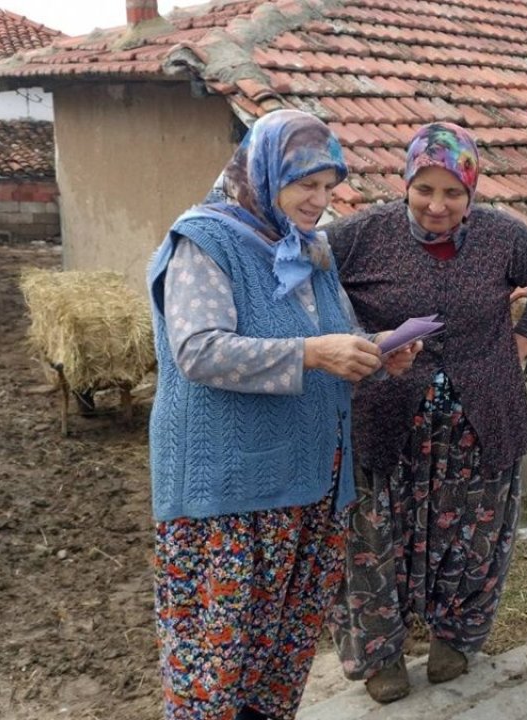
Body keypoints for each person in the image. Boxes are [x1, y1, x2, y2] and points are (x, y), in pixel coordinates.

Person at [145, 110, 417, 720]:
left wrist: (375, 353)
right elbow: (199, 350)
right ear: (265, 173)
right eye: (306, 186)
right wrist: (316, 354)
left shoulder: (310, 250)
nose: (320, 202)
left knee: (282, 648)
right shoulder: (204, 241)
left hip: (313, 480)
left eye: (329, 186)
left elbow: (332, 336)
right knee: (219, 658)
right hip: (233, 493)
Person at [324, 122, 527, 703]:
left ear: (472, 191)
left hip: (478, 420)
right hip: (384, 418)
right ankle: (380, 655)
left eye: (453, 192)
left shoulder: (500, 239)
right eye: (424, 189)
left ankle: (455, 638)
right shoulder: (359, 236)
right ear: (405, 182)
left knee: (472, 534)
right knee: (371, 537)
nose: (437, 205)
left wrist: (524, 341)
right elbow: (309, 288)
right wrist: (357, 340)